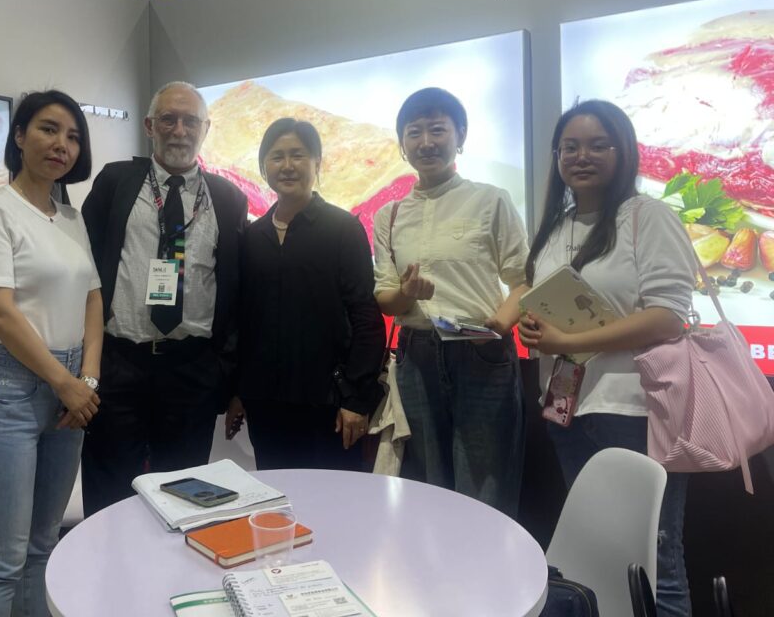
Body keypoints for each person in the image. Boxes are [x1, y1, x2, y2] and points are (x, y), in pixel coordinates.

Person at [518, 99, 695, 617]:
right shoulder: (557, 226)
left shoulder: (647, 216)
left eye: (599, 145)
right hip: (568, 411)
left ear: (624, 152)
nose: (582, 156)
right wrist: (536, 329)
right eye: (570, 147)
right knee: (596, 552)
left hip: (635, 411)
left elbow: (668, 317)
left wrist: (567, 342)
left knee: (655, 559)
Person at [0, 90, 103, 617]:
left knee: (44, 547)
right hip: (13, 390)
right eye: (48, 129)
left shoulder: (70, 218)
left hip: (71, 391)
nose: (61, 144)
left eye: (73, 136)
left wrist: (86, 380)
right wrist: (64, 383)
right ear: (19, 136)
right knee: (2, 562)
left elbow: (93, 299)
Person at [80, 81, 248, 517]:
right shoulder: (116, 182)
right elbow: (85, 269)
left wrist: (225, 373)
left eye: (190, 121)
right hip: (120, 364)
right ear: (149, 126)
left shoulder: (228, 198)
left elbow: (236, 290)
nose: (179, 130)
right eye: (168, 119)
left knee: (184, 495)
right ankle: (105, 562)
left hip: (190, 370)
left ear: (205, 129)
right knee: (109, 493)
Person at [372, 87, 529, 517]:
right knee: (428, 482)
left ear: (460, 136)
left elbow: (524, 281)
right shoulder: (389, 215)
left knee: (485, 484)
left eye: (437, 130)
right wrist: (406, 293)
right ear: (402, 144)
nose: (426, 142)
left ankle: (487, 562)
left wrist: (497, 328)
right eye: (414, 132)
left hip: (480, 351)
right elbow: (385, 298)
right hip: (416, 355)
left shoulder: (491, 199)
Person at [225, 119, 385, 470]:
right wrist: (238, 391)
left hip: (329, 402)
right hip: (266, 403)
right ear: (264, 167)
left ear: (317, 163)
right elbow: (244, 321)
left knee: (333, 497)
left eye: (298, 155)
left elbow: (366, 317)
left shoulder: (343, 228)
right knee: (276, 494)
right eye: (276, 156)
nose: (287, 165)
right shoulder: (252, 237)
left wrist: (356, 399)